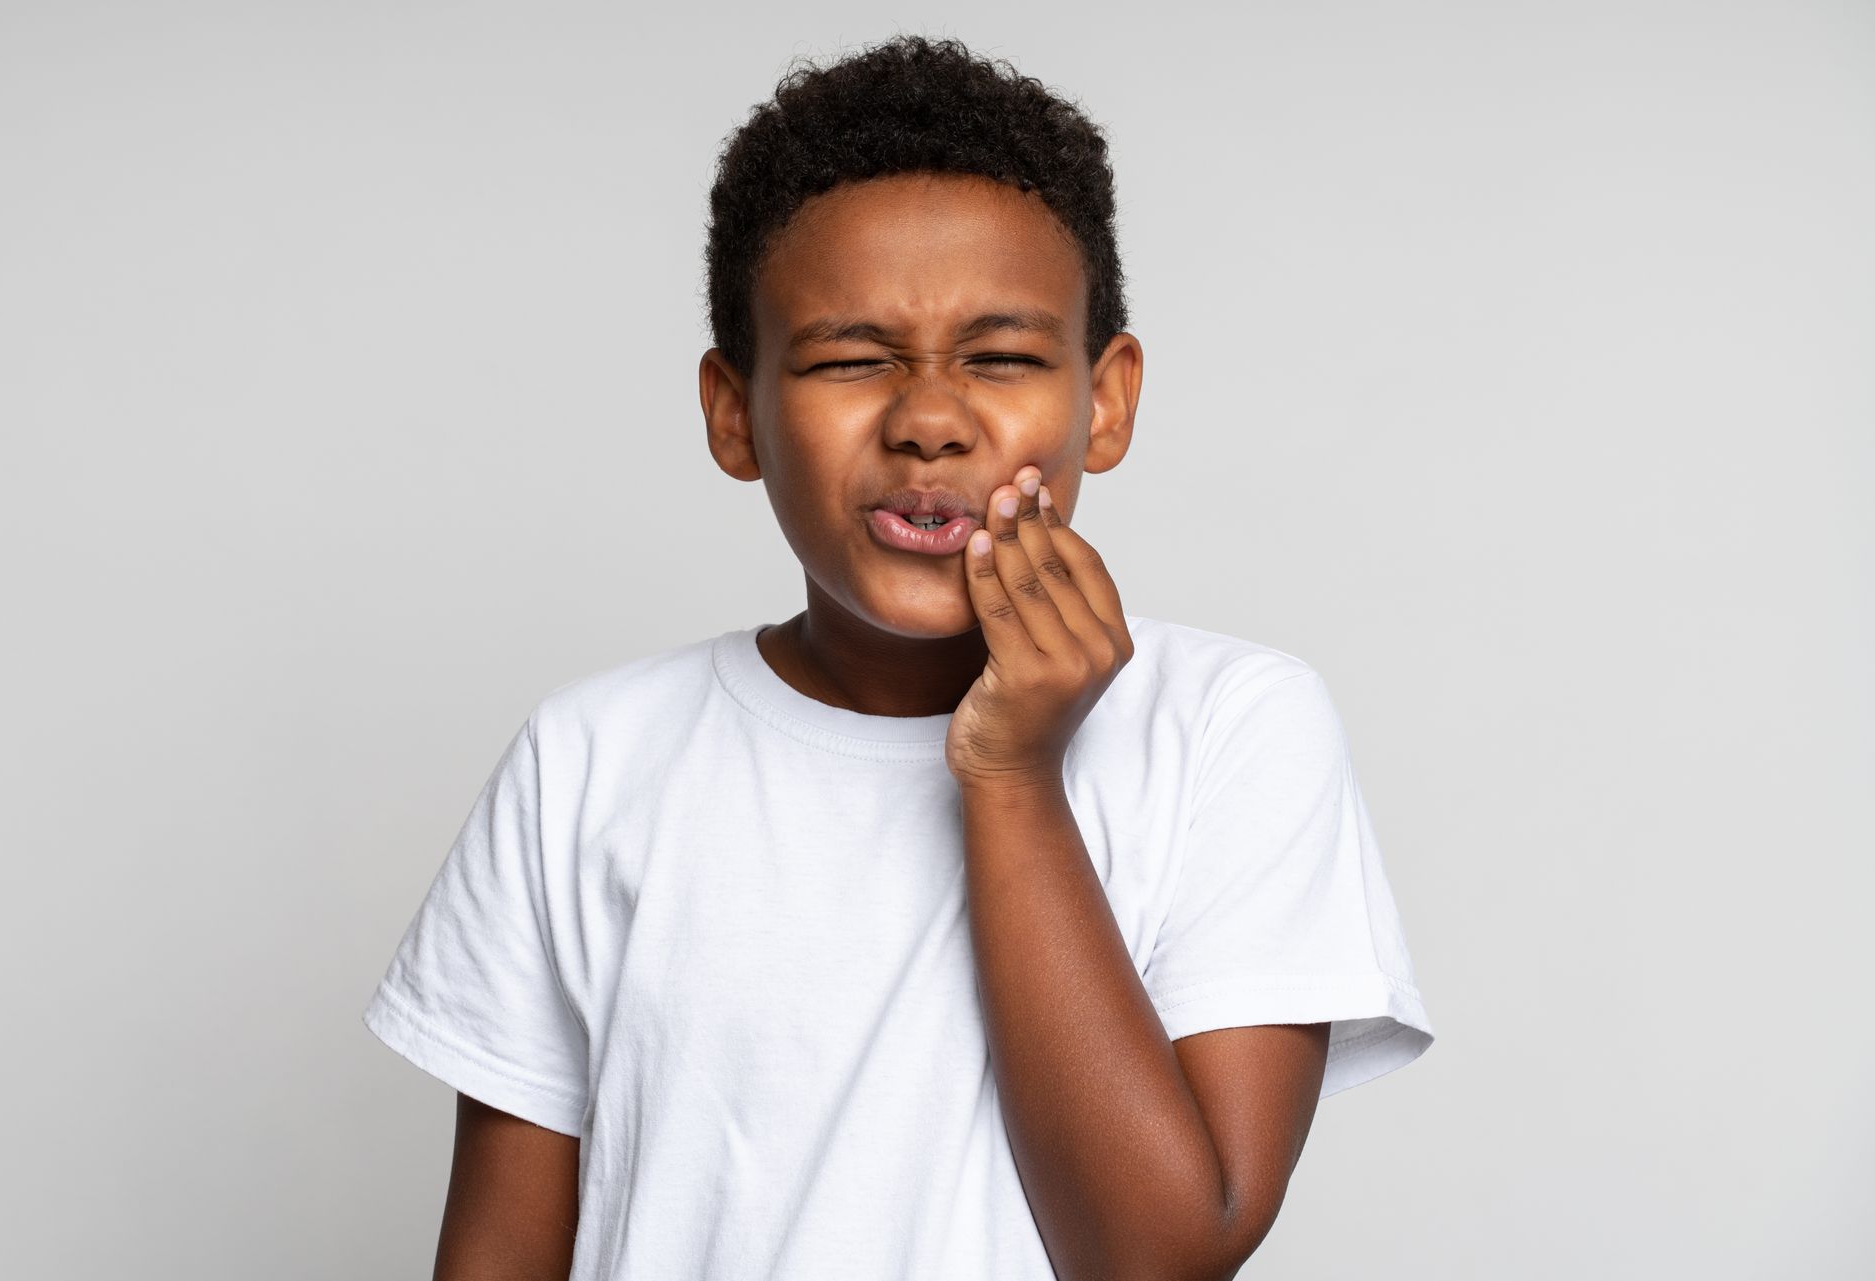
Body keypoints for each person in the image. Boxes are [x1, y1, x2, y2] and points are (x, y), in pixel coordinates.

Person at [362, 33, 1435, 1281]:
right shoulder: (591, 759)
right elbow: (497, 1254)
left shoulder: (1233, 728)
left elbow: (1159, 1256)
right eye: (851, 360)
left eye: (1002, 357)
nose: (929, 420)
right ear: (733, 411)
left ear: (1106, 400)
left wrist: (1013, 773)